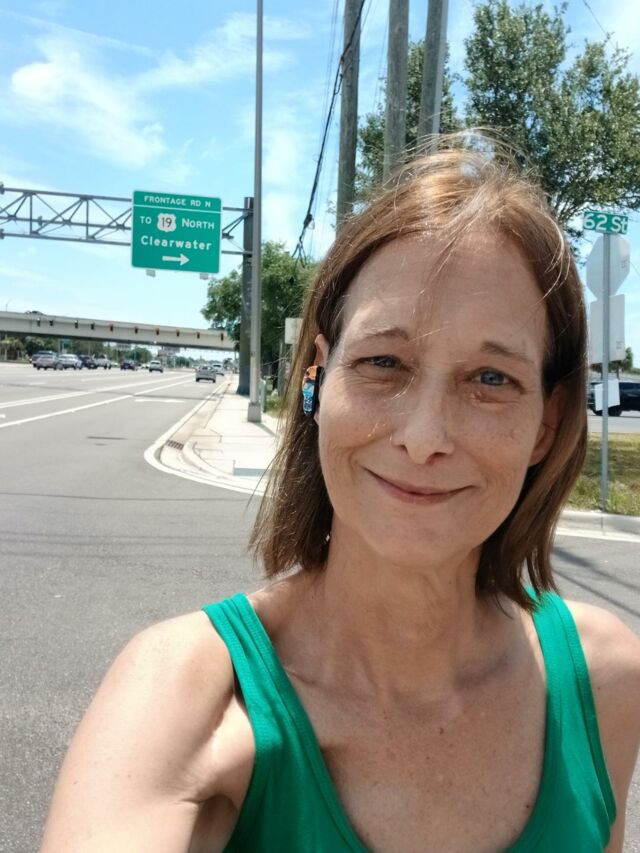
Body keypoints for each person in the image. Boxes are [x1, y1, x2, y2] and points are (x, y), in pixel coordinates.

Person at [41, 137, 640, 853]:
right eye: (384, 361)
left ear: (545, 423)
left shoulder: (603, 680)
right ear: (318, 380)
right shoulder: (185, 698)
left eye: (490, 379)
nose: (424, 437)